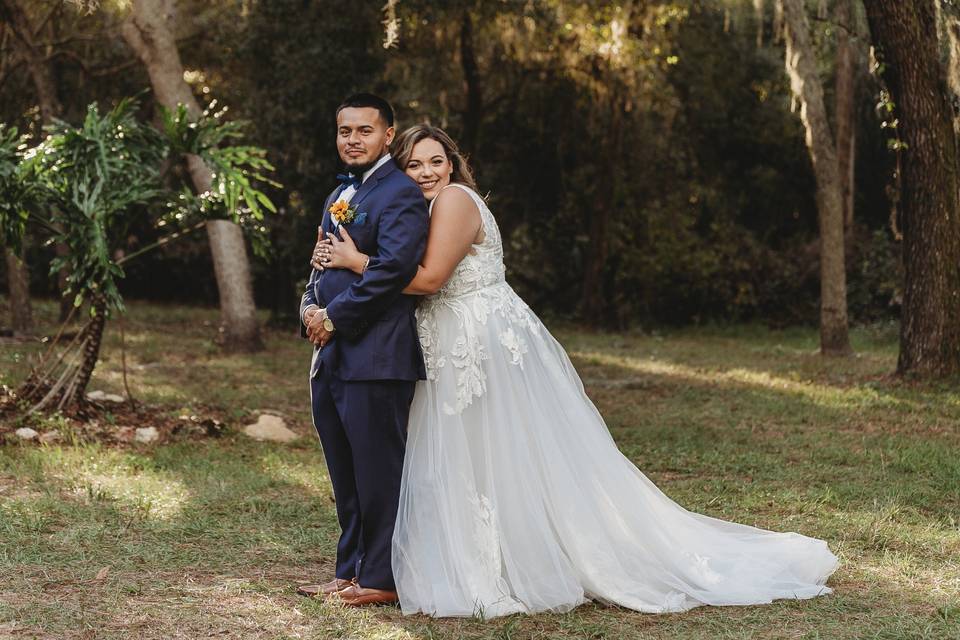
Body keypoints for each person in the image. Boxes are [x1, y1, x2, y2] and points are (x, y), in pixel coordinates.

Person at [312, 124, 838, 617]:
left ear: (453, 164)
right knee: (474, 451)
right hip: (451, 338)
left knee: (499, 447)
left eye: (436, 160)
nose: (427, 172)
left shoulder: (453, 201)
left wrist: (355, 262)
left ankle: (523, 557)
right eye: (413, 165)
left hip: (477, 338)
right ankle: (478, 551)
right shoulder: (420, 210)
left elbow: (426, 280)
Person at [296, 95, 429, 607]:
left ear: (387, 135)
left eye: (364, 130)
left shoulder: (401, 193)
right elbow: (321, 260)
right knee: (344, 470)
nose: (352, 139)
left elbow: (394, 271)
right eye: (344, 130)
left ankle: (381, 578)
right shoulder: (341, 192)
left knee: (376, 470)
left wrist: (335, 317)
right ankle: (347, 569)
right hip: (329, 355)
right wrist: (308, 305)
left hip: (376, 355)